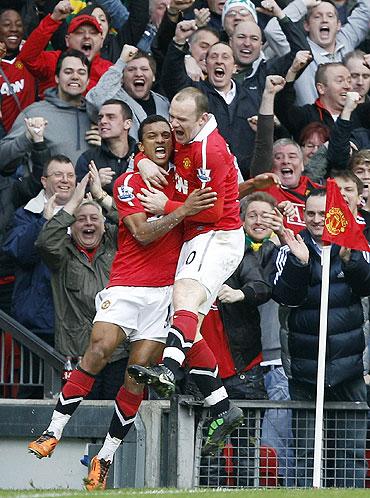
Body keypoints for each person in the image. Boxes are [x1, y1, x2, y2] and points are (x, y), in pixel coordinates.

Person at [27, 114, 216, 490]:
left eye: (166, 135)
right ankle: (53, 431)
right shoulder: (131, 182)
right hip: (127, 286)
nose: (160, 140)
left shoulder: (185, 181)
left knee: (135, 378)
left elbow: (215, 199)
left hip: (165, 295)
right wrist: (181, 210)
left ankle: (105, 457)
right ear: (140, 144)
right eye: (151, 136)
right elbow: (143, 234)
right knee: (98, 350)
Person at [128, 87, 246, 456]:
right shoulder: (186, 138)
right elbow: (156, 152)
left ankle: (169, 369)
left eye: (181, 120)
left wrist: (167, 204)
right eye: (172, 116)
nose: (173, 125)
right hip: (196, 237)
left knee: (185, 298)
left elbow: (212, 211)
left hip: (217, 235)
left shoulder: (210, 150)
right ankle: (222, 406)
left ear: (203, 118)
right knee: (184, 320)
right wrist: (140, 160)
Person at [272, 188, 370, 487]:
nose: (317, 220)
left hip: (349, 369)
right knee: (306, 453)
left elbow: (366, 288)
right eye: (311, 213)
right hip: (305, 370)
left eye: (324, 214)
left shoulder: (355, 245)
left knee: (350, 454)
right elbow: (284, 297)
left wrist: (351, 261)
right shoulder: (292, 246)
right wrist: (300, 264)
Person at [35, 165, 129, 400]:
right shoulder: (62, 252)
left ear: (103, 224)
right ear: (71, 225)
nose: (88, 223)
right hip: (78, 353)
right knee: (80, 416)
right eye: (81, 219)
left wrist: (100, 195)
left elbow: (133, 223)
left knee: (115, 414)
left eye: (94, 218)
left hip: (117, 351)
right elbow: (45, 242)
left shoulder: (116, 243)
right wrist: (72, 202)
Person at [0, 49, 92, 172]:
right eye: (68, 72)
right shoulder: (34, 113)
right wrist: (27, 138)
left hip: (90, 190)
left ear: (88, 81)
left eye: (81, 72)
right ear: (57, 78)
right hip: (45, 190)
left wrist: (105, 147)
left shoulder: (97, 116)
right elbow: (3, 161)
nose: (75, 77)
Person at [264, 0, 370, 105]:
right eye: (317, 17)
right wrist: (302, 4)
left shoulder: (346, 39)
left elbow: (366, 11)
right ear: (307, 25)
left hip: (350, 119)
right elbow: (273, 30)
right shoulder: (299, 50)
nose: (324, 20)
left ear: (338, 25)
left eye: (330, 16)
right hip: (312, 119)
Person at [18, 0, 112, 97]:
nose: (87, 36)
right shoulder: (53, 61)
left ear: (101, 41)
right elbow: (27, 57)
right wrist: (53, 19)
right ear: (67, 40)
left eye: (93, 33)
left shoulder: (109, 72)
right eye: (80, 32)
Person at [86, 44, 169, 140]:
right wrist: (121, 62)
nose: (138, 74)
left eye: (144, 69)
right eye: (131, 69)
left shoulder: (164, 103)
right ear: (121, 77)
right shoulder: (113, 100)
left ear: (153, 76)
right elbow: (95, 100)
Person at [76, 99, 136, 195]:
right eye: (100, 118)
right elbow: (76, 198)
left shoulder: (141, 155)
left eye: (111, 117)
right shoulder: (88, 159)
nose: (103, 121)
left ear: (127, 124)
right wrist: (95, 185)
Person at [0, 8, 36, 133]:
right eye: (7, 25)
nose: (14, 29)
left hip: (29, 136)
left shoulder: (30, 59)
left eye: (19, 25)